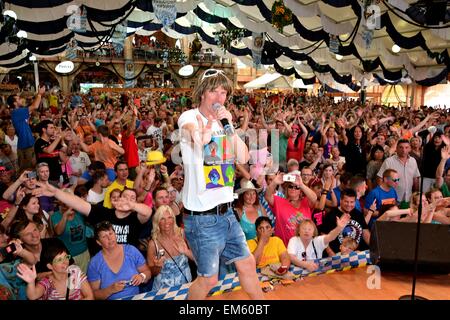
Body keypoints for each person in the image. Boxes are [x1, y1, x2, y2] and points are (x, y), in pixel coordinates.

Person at [177, 69, 263, 299]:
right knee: (208, 279)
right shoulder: (189, 117)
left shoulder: (225, 124)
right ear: (202, 93)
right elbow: (194, 135)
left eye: (223, 92)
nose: (219, 97)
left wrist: (229, 127)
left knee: (247, 264)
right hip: (202, 218)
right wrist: (202, 134)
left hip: (227, 213)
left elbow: (244, 157)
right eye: (214, 90)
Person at [87, 221, 151, 300]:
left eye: (111, 233)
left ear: (115, 234)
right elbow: (94, 294)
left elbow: (148, 272)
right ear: (99, 242)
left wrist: (142, 276)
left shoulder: (131, 250)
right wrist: (110, 290)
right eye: (104, 236)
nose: (109, 238)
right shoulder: (94, 263)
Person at [16, 239, 94, 300]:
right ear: (50, 266)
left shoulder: (76, 274)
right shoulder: (47, 282)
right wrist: (31, 282)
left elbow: (90, 297)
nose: (65, 262)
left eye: (66, 257)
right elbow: (33, 296)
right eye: (59, 260)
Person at [147, 205, 193, 291]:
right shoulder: (153, 244)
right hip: (163, 291)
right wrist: (157, 266)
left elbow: (198, 259)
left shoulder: (182, 233)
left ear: (174, 219)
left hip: (185, 287)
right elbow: (152, 273)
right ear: (157, 222)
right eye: (162, 219)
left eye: (169, 217)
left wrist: (186, 251)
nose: (166, 222)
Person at [320, 189, 370, 257]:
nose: (349, 205)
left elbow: (366, 234)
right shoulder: (331, 215)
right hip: (337, 255)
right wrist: (331, 254)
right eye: (346, 202)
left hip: (355, 255)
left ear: (355, 202)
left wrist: (375, 249)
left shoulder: (358, 214)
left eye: (352, 202)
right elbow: (323, 236)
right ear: (340, 200)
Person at [8, 86, 45, 170]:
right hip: (25, 146)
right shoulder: (17, 112)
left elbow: (32, 107)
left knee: (33, 168)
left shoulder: (19, 112)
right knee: (27, 170)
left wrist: (36, 96)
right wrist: (39, 94)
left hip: (28, 144)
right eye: (18, 99)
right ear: (14, 103)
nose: (21, 99)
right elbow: (35, 106)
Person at [377, 139, 420, 208]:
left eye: (406, 147)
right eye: (401, 147)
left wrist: (416, 193)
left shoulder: (413, 161)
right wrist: (383, 194)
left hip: (409, 198)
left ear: (410, 149)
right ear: (396, 148)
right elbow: (380, 178)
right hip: (392, 197)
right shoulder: (389, 161)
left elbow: (415, 178)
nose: (404, 150)